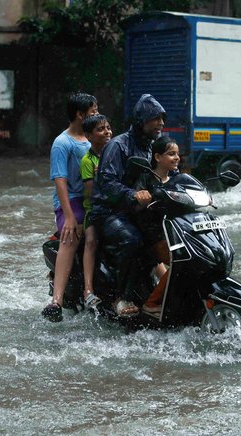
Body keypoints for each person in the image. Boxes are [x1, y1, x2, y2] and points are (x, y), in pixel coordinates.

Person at [89, 94, 168, 318]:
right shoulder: (118, 146)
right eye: (155, 118)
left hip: (141, 211)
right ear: (141, 120)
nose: (161, 123)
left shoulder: (154, 147)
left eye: (162, 118)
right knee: (133, 240)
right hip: (109, 211)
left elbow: (168, 172)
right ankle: (121, 298)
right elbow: (107, 183)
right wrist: (133, 194)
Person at [42, 92, 98, 322]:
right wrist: (68, 216)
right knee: (70, 236)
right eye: (93, 112)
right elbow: (60, 181)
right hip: (72, 200)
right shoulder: (62, 142)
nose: (97, 115)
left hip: (94, 199)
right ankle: (56, 300)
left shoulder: (96, 138)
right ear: (79, 114)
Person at [134, 136, 180, 315]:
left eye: (177, 154)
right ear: (158, 157)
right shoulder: (146, 178)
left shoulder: (178, 178)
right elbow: (136, 204)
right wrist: (142, 198)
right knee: (179, 263)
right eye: (171, 154)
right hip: (154, 236)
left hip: (176, 233)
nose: (176, 158)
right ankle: (152, 303)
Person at [79, 114, 112, 312]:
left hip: (118, 207)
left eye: (108, 128)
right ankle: (88, 290)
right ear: (89, 136)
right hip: (95, 210)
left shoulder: (116, 152)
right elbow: (91, 193)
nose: (107, 132)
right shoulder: (87, 161)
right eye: (101, 129)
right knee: (91, 240)